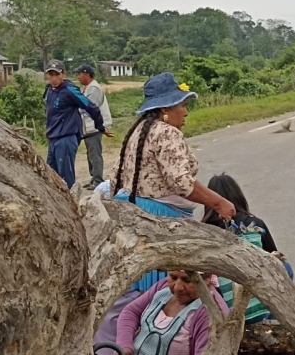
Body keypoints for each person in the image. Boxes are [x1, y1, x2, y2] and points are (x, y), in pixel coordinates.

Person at [94, 72, 236, 354]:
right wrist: (219, 202)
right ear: (164, 110)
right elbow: (181, 184)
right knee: (165, 289)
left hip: (129, 215)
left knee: (128, 292)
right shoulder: (167, 133)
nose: (185, 112)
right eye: (182, 105)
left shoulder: (136, 132)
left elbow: (114, 181)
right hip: (159, 218)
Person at [202, 173, 295, 324]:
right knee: (285, 267)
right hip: (257, 301)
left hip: (221, 303)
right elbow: (273, 257)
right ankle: (271, 319)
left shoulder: (203, 229)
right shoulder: (255, 224)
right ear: (238, 197)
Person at [116, 271, 230, 355]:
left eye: (187, 280)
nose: (177, 287)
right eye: (173, 277)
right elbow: (131, 312)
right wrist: (124, 346)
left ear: (207, 278)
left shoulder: (211, 313)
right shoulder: (163, 287)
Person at [43, 59, 112, 189]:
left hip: (66, 138)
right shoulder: (49, 90)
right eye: (50, 74)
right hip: (53, 139)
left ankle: (72, 206)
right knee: (50, 176)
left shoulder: (70, 90)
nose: (53, 78)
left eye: (56, 74)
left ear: (63, 74)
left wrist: (100, 126)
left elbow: (92, 107)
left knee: (66, 179)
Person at [75, 64, 113, 190]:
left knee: (95, 153)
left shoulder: (94, 89)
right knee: (90, 153)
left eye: (79, 74)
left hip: (95, 126)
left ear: (86, 74)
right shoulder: (86, 88)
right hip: (88, 127)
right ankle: (94, 178)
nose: (78, 76)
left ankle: (98, 181)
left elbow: (90, 107)